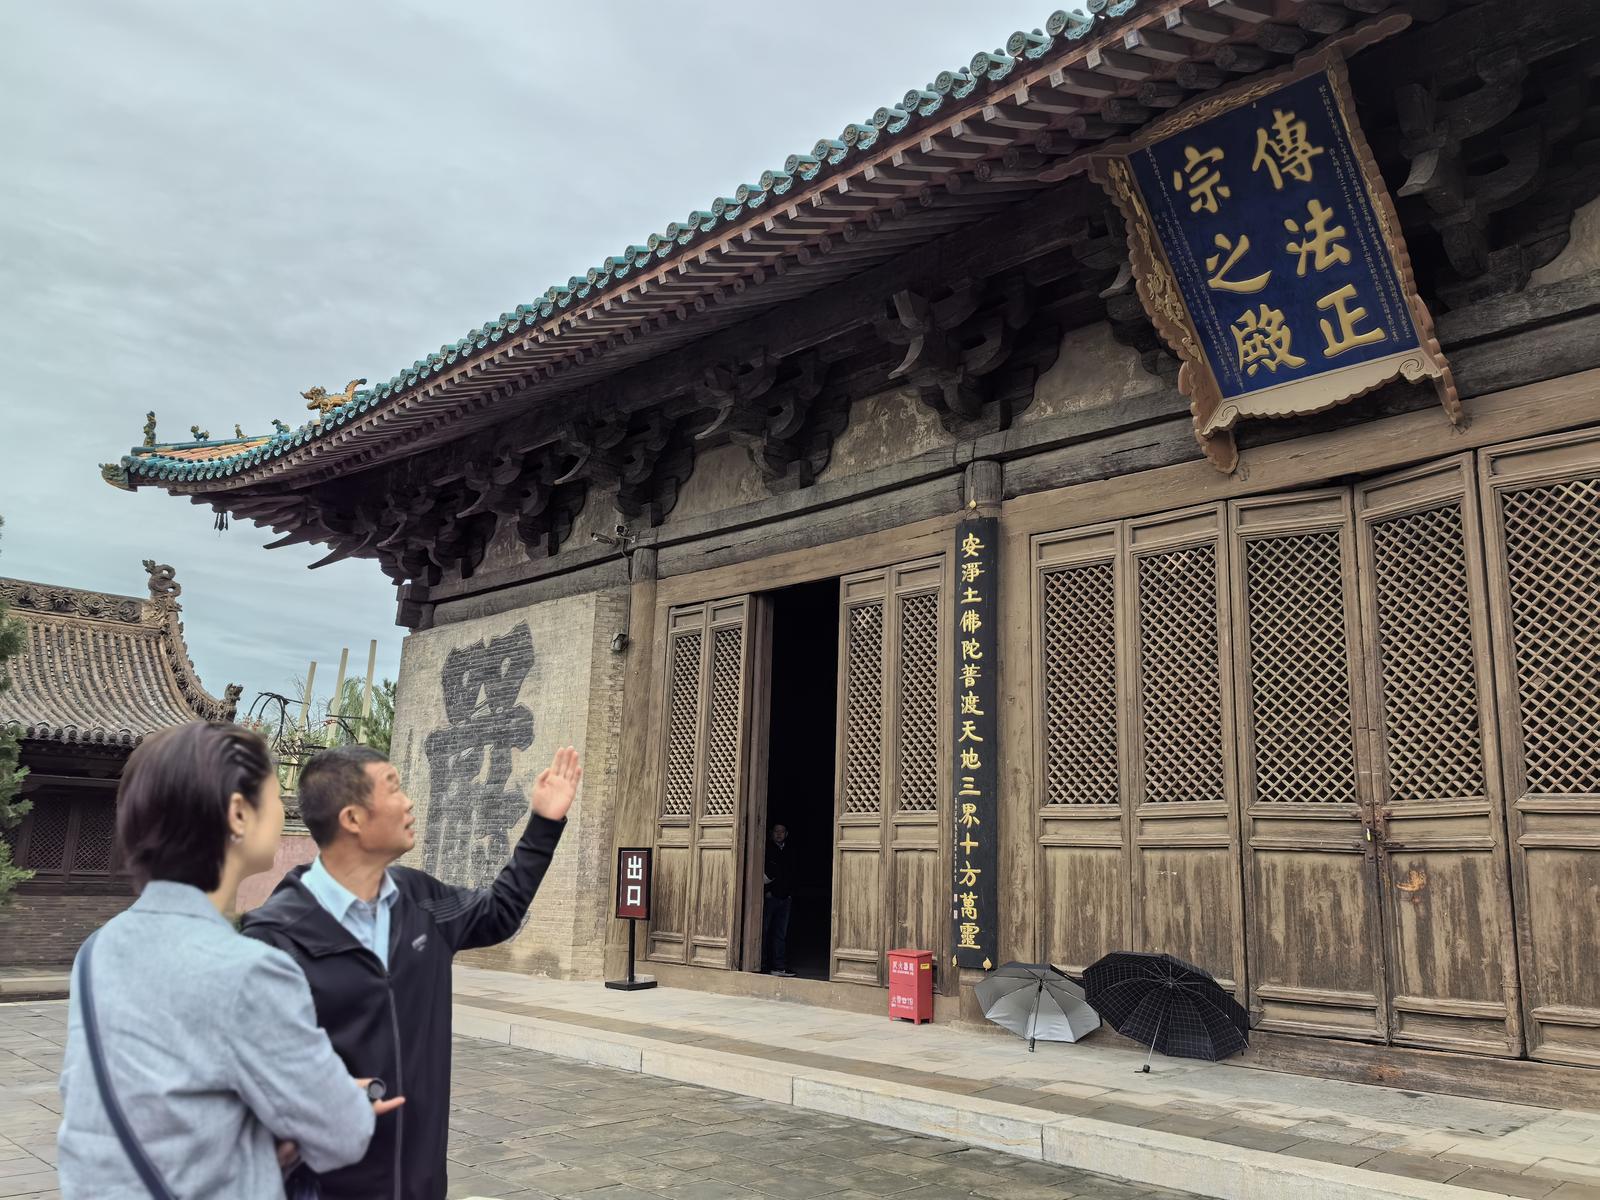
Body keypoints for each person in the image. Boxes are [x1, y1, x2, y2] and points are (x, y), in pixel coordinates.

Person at [57, 722, 399, 1199]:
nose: (283, 810)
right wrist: (345, 1103)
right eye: (274, 796)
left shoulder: (99, 949)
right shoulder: (251, 971)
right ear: (239, 814)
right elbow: (343, 1134)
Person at [242, 743, 581, 1200]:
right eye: (394, 789)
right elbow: (255, 1081)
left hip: (421, 1184)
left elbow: (500, 911)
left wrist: (544, 824)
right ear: (352, 819)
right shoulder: (276, 936)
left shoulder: (421, 900)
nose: (409, 802)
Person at [763, 822, 795, 977]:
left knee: (780, 934)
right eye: (776, 831)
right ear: (771, 833)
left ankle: (779, 966)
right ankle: (761, 964)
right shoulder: (765, 849)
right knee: (764, 931)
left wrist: (790, 893)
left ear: (786, 834)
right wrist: (767, 891)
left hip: (785, 898)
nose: (779, 834)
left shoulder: (791, 851)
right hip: (770, 898)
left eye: (782, 831)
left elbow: (793, 873)